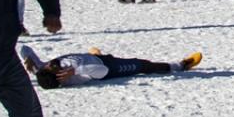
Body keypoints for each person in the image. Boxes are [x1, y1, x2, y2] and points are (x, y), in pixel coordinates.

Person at [20, 45, 202, 88]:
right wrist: (77, 70)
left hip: (94, 58)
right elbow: (102, 72)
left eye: (47, 66)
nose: (50, 64)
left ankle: (95, 53)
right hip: (109, 66)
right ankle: (180, 66)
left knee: (94, 53)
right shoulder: (74, 78)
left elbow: (24, 48)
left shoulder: (42, 69)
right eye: (52, 68)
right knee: (142, 65)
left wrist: (26, 57)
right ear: (60, 77)